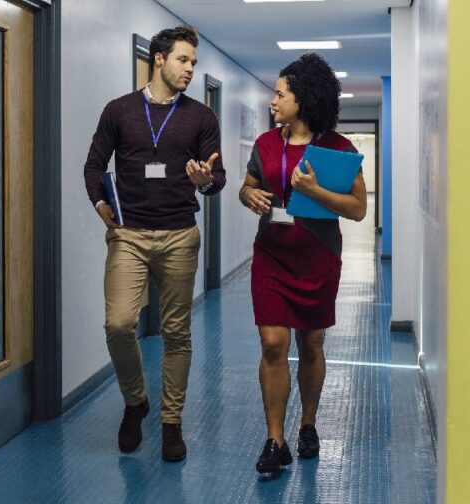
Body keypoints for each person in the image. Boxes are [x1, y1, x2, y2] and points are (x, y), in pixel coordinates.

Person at [83, 25, 225, 462]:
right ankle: (135, 402)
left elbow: (217, 178)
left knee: (176, 333)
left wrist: (205, 182)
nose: (190, 69)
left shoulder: (201, 116)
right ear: (158, 59)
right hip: (128, 236)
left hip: (180, 235)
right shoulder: (119, 111)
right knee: (120, 324)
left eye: (194, 63)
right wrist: (100, 203)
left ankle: (170, 422)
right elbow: (93, 165)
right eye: (183, 60)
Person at [239, 53, 367, 474]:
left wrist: (315, 191)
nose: (273, 100)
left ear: (303, 99)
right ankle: (275, 440)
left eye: (280, 94)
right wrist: (249, 196)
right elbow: (248, 186)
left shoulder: (338, 149)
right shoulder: (264, 144)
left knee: (310, 345)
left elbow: (358, 209)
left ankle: (307, 425)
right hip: (272, 254)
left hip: (317, 256)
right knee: (273, 344)